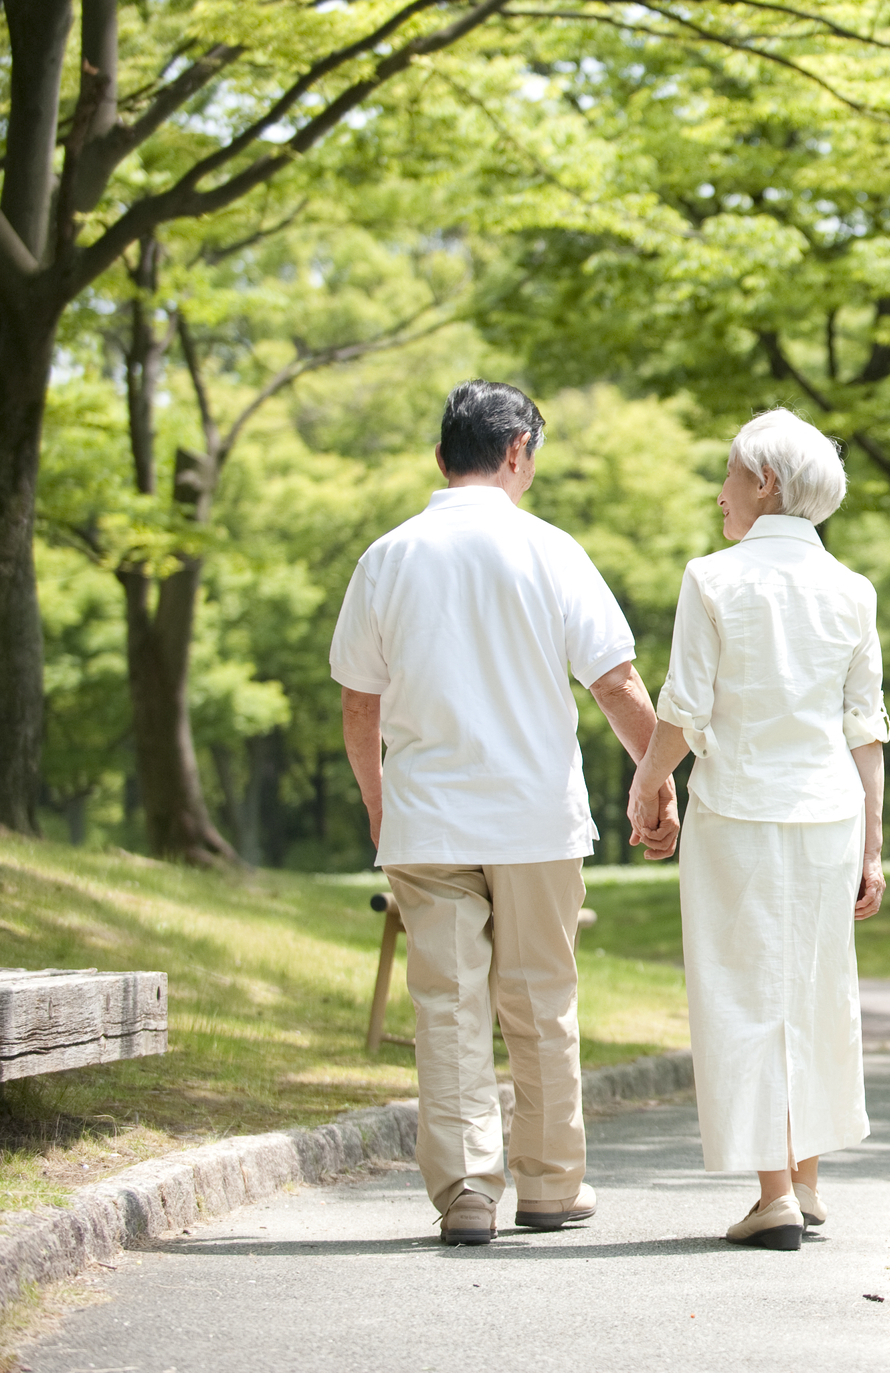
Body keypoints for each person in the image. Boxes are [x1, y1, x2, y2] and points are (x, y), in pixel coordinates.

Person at [332, 381, 671, 1246]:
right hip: (534, 818)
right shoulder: (552, 550)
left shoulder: (387, 557)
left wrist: (381, 808)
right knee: (541, 999)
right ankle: (553, 1184)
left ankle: (468, 1193)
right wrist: (658, 784)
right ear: (517, 449)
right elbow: (617, 683)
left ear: (442, 457)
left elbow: (359, 706)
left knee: (446, 1006)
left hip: (429, 818)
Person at [627, 407, 890, 1252]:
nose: (720, 494)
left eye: (731, 476)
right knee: (816, 987)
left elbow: (684, 707)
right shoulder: (854, 589)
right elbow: (866, 728)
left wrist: (648, 780)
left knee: (744, 990)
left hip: (738, 810)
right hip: (828, 816)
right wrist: (874, 847)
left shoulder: (713, 578)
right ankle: (806, 1181)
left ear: (766, 483)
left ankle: (771, 1191)